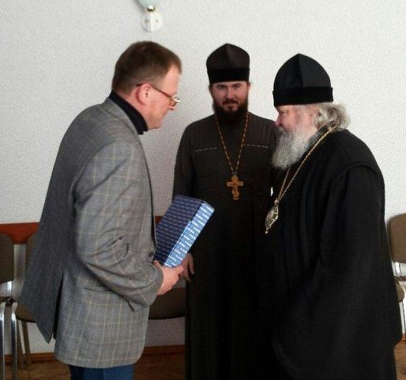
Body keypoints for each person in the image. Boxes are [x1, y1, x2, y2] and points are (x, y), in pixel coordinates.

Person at [20, 41, 184, 380]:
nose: (172, 106)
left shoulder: (91, 119)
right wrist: (155, 280)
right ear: (145, 92)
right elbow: (98, 246)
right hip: (100, 325)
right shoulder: (119, 146)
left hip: (77, 307)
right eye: (171, 97)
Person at [260, 54, 402, 380]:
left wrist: (299, 321)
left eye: (283, 112)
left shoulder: (350, 164)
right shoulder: (300, 153)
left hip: (336, 332)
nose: (277, 122)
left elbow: (349, 265)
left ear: (312, 111)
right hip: (295, 312)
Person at [173, 43, 278, 380]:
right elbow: (181, 194)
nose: (229, 95)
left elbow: (284, 195)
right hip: (207, 253)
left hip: (257, 249)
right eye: (221, 87)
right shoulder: (194, 135)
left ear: (248, 87)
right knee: (209, 328)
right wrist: (182, 251)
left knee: (255, 326)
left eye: (236, 86)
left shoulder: (270, 132)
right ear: (211, 90)